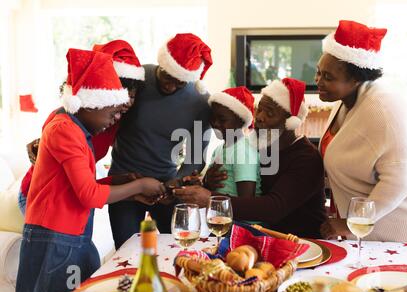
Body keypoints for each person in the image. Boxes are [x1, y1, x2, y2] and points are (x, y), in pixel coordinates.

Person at [16, 48, 166, 292]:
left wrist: (113, 181)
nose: (116, 118)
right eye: (113, 112)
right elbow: (88, 195)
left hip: (72, 232)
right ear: (92, 103)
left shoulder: (77, 128)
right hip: (55, 235)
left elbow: (76, 185)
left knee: (88, 287)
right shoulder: (64, 129)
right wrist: (139, 186)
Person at [316, 20, 407, 263]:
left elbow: (399, 181)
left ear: (355, 79)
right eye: (318, 71)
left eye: (328, 76)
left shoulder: (384, 110)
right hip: (374, 225)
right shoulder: (346, 104)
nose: (318, 80)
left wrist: (350, 223)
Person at [174, 78, 326, 238]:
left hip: (305, 244)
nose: (259, 117)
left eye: (269, 113)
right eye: (259, 110)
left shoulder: (307, 158)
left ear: (290, 121)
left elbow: (274, 207)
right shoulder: (259, 146)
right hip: (262, 241)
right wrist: (208, 182)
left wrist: (212, 199)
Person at [108, 33, 213, 248]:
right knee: (127, 253)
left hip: (166, 188)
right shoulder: (137, 77)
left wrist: (173, 186)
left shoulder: (200, 102)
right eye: (167, 76)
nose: (170, 86)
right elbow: (101, 113)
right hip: (123, 186)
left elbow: (195, 157)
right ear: (161, 63)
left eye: (179, 83)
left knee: (176, 249)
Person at [18, 39, 145, 214]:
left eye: (132, 95)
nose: (128, 102)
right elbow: (80, 190)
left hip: (72, 196)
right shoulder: (64, 124)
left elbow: (85, 187)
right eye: (122, 93)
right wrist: (139, 187)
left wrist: (124, 184)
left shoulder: (112, 120)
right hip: (42, 197)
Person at [206, 86, 261, 198]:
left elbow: (246, 200)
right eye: (212, 117)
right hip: (219, 213)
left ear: (240, 121)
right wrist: (206, 183)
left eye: (222, 119)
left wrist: (207, 194)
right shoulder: (218, 149)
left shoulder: (243, 150)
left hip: (237, 215)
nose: (215, 123)